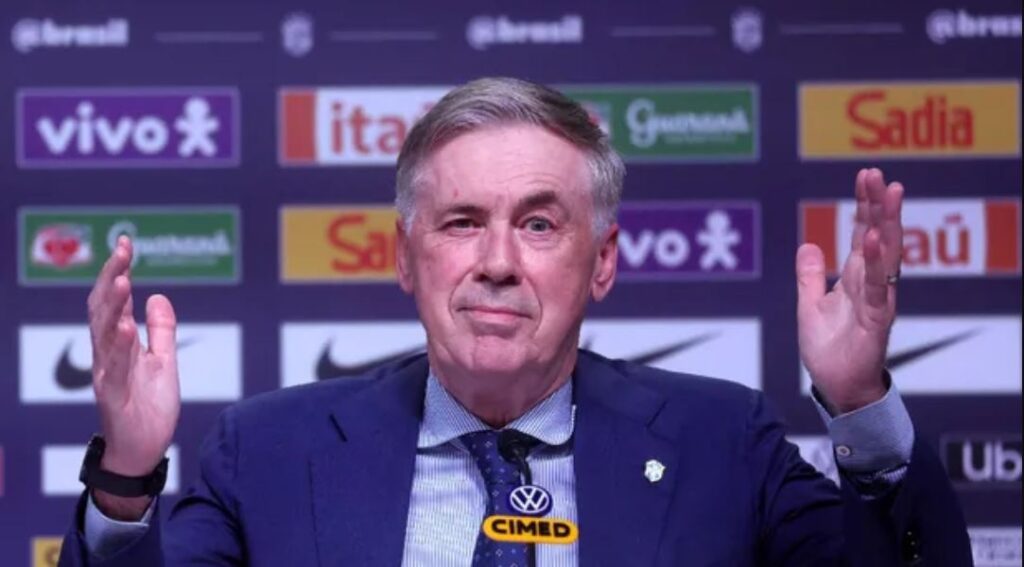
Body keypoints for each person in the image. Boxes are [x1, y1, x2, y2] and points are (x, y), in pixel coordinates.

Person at [58, 77, 971, 566]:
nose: (497, 260)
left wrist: (858, 401)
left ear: (602, 261)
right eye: (462, 222)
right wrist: (127, 476)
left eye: (539, 224)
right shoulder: (268, 452)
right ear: (406, 258)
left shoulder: (721, 443)